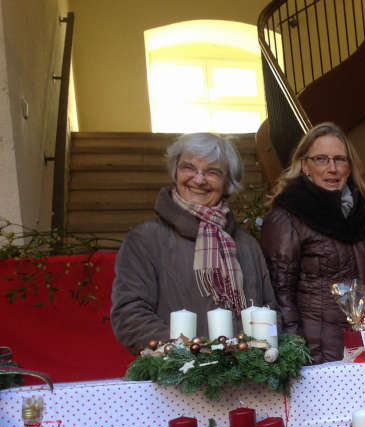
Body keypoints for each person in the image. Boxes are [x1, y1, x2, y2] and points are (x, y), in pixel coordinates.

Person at [110, 132, 276, 354]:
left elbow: (270, 311)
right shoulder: (145, 239)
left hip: (248, 378)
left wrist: (265, 352)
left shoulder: (247, 245)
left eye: (212, 172)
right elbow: (130, 315)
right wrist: (188, 353)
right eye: (189, 167)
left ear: (228, 183)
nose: (199, 179)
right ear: (175, 172)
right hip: (176, 380)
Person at [261, 122, 365, 363]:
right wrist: (296, 353)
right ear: (305, 165)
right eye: (321, 159)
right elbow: (280, 295)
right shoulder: (287, 217)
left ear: (350, 166)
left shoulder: (361, 217)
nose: (332, 168)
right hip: (314, 353)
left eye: (339, 159)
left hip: (363, 347)